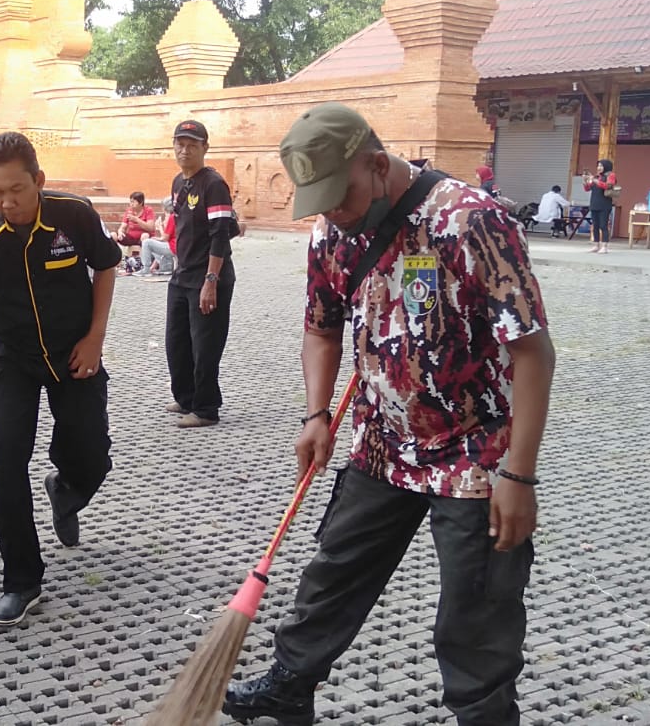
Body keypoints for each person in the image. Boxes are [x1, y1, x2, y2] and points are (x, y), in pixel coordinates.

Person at [222, 103, 555, 726]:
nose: (333, 214)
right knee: (333, 572)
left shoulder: (469, 221)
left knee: (476, 609)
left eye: (339, 196)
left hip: (475, 454)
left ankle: (486, 717)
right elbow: (320, 331)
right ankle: (289, 688)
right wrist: (315, 414)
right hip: (382, 442)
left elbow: (533, 352)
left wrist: (519, 474)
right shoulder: (332, 232)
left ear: (378, 165)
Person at [0, 131, 119, 627]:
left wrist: (96, 337)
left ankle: (66, 489)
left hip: (73, 353)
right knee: (6, 462)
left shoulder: (73, 214)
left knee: (92, 454)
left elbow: (106, 267)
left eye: (16, 190)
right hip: (11, 360)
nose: (6, 202)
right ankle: (21, 580)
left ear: (38, 180)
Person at [165, 119, 237, 429]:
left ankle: (206, 408)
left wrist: (211, 281)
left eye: (192, 145)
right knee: (176, 342)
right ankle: (186, 397)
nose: (185, 150)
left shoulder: (213, 184)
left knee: (204, 346)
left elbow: (221, 233)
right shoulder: (179, 182)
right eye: (180, 144)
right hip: (182, 276)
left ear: (204, 148)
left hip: (209, 278)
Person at [582, 159, 617, 254]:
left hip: (605, 204)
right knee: (595, 225)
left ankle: (604, 246)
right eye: (598, 166)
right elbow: (587, 189)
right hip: (594, 203)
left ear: (606, 166)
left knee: (603, 225)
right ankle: (596, 245)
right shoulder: (597, 177)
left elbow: (608, 186)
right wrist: (585, 181)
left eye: (601, 166)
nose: (599, 168)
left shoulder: (610, 175)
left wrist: (594, 180)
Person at [138, 196, 177, 277]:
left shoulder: (172, 218)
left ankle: (146, 269)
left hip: (173, 246)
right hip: (178, 245)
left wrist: (160, 227)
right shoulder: (179, 216)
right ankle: (165, 266)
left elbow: (165, 238)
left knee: (147, 242)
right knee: (152, 241)